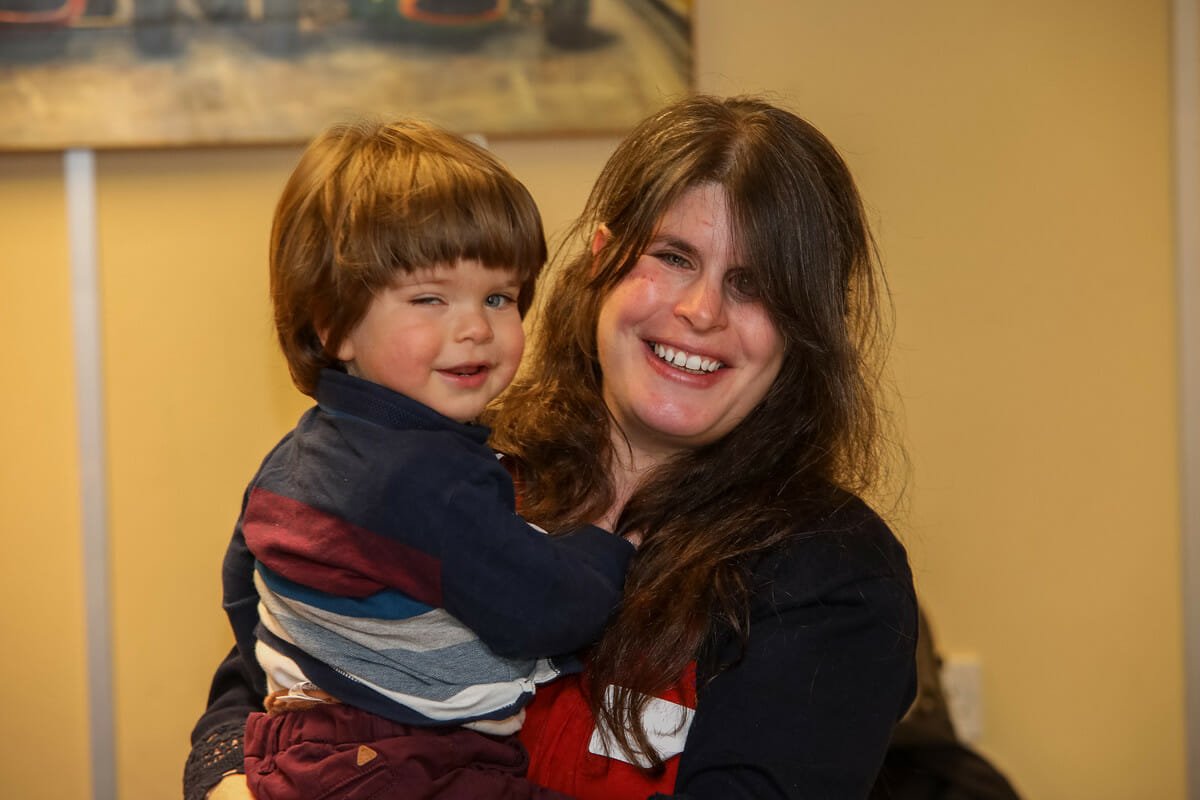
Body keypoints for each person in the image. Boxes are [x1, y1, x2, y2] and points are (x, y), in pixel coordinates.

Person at [184, 94, 918, 800]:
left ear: (804, 328)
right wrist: (227, 781)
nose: (701, 312)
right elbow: (266, 671)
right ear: (601, 260)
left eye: (753, 284)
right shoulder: (453, 465)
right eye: (673, 257)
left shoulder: (833, 576)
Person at [218, 118, 635, 800]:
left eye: (499, 297)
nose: (474, 328)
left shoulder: (295, 455)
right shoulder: (425, 478)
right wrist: (609, 545)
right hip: (405, 762)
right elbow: (544, 611)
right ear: (333, 325)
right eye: (430, 299)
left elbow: (244, 588)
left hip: (296, 748)